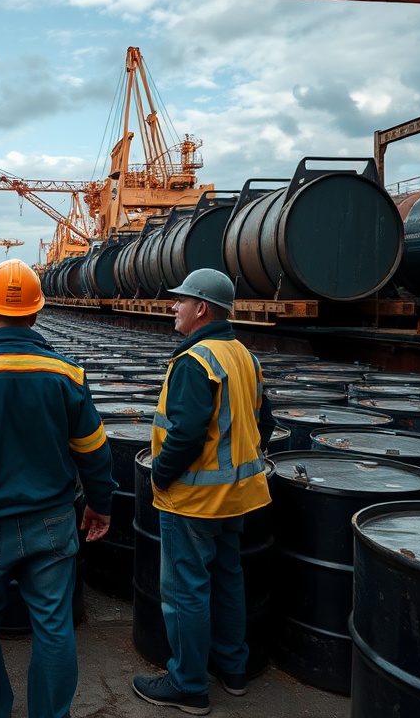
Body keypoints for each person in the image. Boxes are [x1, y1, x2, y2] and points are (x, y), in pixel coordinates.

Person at [0, 258, 117, 718]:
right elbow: (95, 451)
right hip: (52, 522)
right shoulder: (68, 375)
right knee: (53, 625)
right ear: (36, 312)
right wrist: (100, 505)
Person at [132, 268, 275, 716]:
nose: (174, 307)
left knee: (186, 590)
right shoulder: (243, 356)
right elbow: (263, 423)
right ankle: (234, 670)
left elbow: (187, 432)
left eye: (181, 301)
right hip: (236, 496)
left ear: (202, 309)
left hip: (192, 500)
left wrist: (160, 475)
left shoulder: (196, 361)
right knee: (229, 578)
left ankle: (188, 684)